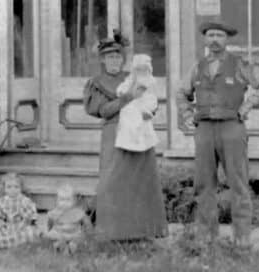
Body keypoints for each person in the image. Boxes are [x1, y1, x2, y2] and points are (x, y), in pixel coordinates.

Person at [176, 19, 259, 248]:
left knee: (238, 184)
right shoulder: (198, 66)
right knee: (203, 185)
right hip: (204, 130)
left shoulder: (240, 64)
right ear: (205, 38)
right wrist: (185, 114)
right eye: (210, 35)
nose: (214, 40)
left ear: (226, 39)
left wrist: (248, 104)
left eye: (219, 36)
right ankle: (206, 237)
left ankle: (242, 238)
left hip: (232, 128)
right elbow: (181, 92)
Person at [83, 30, 167, 241]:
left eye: (118, 56)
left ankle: (142, 231)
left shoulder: (132, 77)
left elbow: (149, 100)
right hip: (114, 133)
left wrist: (147, 109)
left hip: (138, 132)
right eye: (110, 57)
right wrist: (128, 98)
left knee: (139, 179)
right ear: (102, 59)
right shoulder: (97, 82)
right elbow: (103, 111)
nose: (114, 61)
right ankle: (112, 232)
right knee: (112, 180)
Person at [0, 173, 40, 249]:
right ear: (4, 188)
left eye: (16, 187)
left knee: (30, 232)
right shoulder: (1, 201)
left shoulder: (25, 201)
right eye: (9, 187)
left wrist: (25, 223)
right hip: (6, 226)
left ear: (21, 188)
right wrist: (0, 221)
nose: (12, 190)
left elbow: (30, 215)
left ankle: (20, 244)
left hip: (21, 226)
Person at [114, 54, 159, 152]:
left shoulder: (150, 81)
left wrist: (149, 107)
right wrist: (122, 90)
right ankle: (130, 140)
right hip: (133, 103)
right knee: (128, 112)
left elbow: (152, 96)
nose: (141, 72)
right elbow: (123, 88)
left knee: (142, 120)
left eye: (143, 69)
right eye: (138, 70)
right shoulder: (131, 79)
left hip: (144, 102)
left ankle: (138, 140)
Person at [45, 184, 92, 254]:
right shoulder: (54, 212)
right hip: (59, 233)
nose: (65, 203)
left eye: (68, 200)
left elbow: (86, 221)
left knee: (78, 239)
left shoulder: (77, 212)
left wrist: (89, 231)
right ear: (57, 201)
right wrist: (49, 230)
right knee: (54, 237)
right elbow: (50, 222)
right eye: (62, 200)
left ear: (74, 201)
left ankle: (72, 247)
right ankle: (60, 246)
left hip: (74, 233)